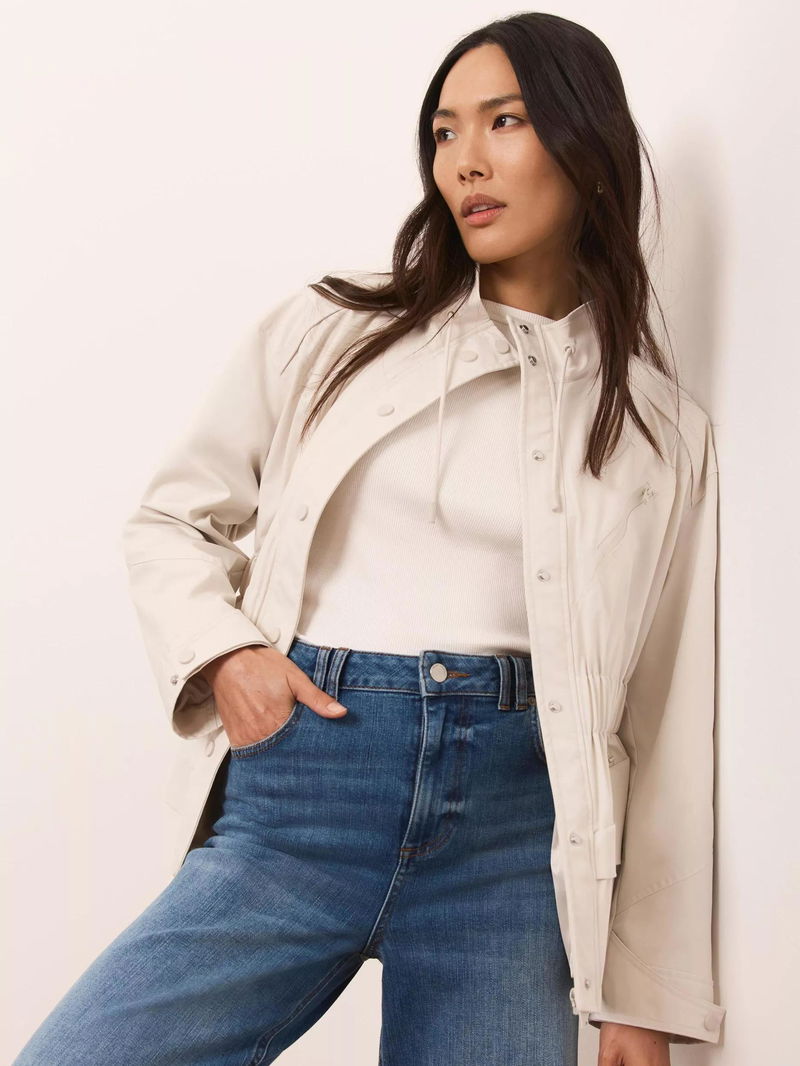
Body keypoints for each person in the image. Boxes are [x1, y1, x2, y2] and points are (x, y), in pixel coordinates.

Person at [12, 12, 725, 1066]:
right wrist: (229, 655)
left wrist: (642, 993)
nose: (465, 160)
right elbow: (173, 517)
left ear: (586, 143)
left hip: (511, 849)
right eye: (444, 131)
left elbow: (660, 723)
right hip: (306, 789)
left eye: (504, 121)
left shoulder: (658, 433)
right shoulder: (334, 331)